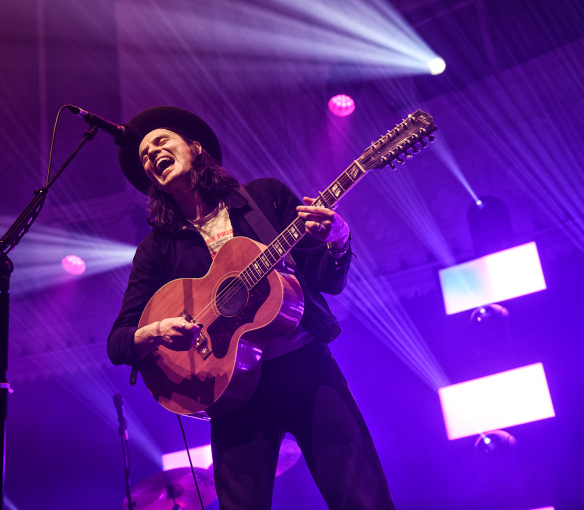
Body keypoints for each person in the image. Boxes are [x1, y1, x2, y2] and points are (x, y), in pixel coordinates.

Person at [107, 106, 395, 509]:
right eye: (144, 156)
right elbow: (118, 342)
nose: (152, 153)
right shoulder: (157, 249)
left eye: (160, 142)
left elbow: (328, 280)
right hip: (230, 393)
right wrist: (155, 332)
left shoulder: (264, 198)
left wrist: (338, 238)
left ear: (194, 148)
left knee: (361, 498)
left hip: (305, 370)